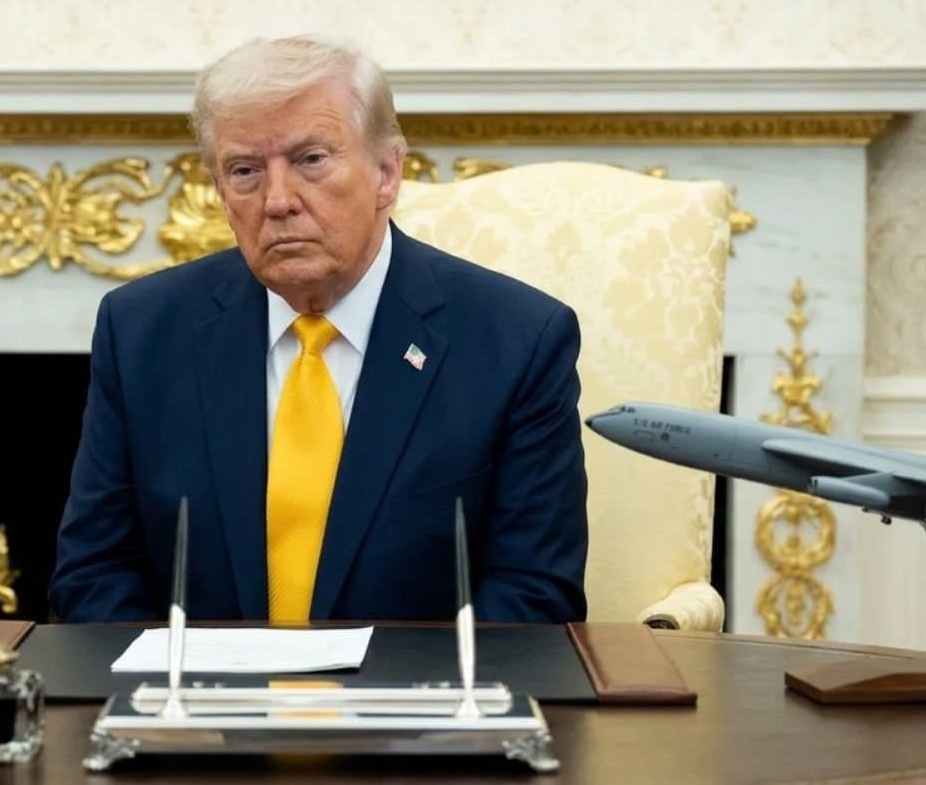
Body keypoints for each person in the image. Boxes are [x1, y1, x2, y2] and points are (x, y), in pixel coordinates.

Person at [49, 36, 588, 624]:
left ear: (387, 173)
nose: (278, 201)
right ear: (220, 192)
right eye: (245, 171)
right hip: (194, 683)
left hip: (416, 684)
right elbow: (93, 575)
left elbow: (533, 597)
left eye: (311, 160)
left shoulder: (517, 342)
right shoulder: (142, 332)